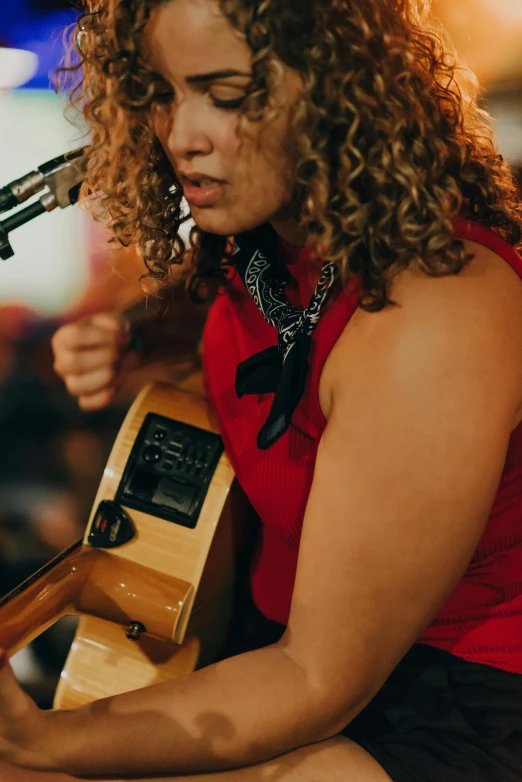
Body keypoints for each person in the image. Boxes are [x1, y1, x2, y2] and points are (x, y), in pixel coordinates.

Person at [2, 0, 522, 780]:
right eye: (161, 93)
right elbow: (248, 322)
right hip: (263, 648)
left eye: (229, 94)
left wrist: (37, 741)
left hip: (444, 702)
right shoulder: (263, 243)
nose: (182, 135)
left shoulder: (439, 311)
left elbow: (320, 680)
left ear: (337, 89)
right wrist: (134, 335)